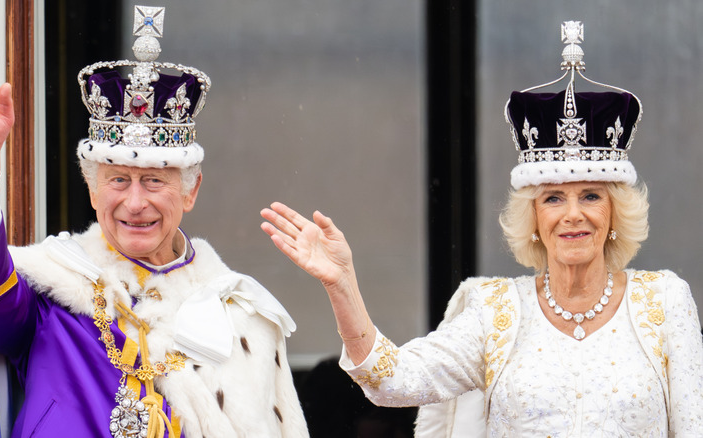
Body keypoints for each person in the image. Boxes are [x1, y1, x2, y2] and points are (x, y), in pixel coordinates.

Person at [260, 21, 703, 437]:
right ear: (533, 219)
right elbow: (390, 380)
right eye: (553, 198)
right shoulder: (495, 313)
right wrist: (342, 284)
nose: (573, 213)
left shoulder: (664, 302)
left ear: (614, 214)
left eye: (591, 195)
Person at [0, 5, 307, 438]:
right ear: (92, 190)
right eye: (119, 180)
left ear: (190, 191)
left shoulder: (240, 316)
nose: (135, 202)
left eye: (154, 181)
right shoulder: (53, 291)